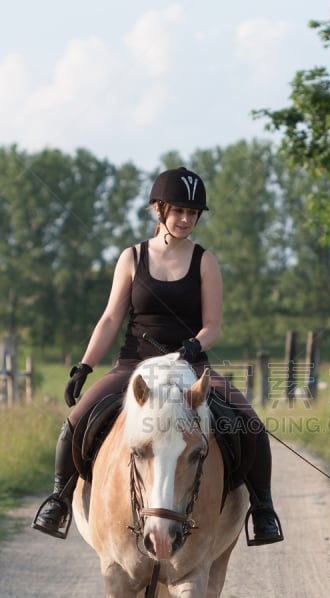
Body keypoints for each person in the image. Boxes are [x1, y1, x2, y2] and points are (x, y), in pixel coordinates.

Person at [32, 166, 282, 547]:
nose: (186, 220)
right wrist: (84, 366)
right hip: (136, 366)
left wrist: (194, 346)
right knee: (76, 421)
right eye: (178, 211)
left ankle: (262, 509)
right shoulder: (132, 258)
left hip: (191, 366)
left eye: (193, 213)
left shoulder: (205, 261)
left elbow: (213, 325)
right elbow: (111, 318)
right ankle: (59, 500)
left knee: (249, 422)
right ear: (158, 210)